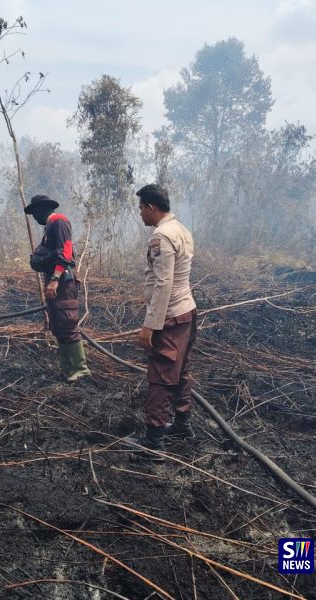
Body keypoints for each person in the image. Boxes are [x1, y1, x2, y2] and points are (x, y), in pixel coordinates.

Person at [128, 183, 197, 459]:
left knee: (159, 376)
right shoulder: (181, 229)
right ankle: (182, 425)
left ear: (151, 207)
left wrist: (150, 325)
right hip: (187, 313)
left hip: (169, 317)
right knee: (180, 372)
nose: (140, 214)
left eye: (141, 209)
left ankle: (154, 442)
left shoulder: (161, 236)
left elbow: (163, 284)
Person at [24, 194, 91, 382]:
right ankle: (68, 369)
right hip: (54, 281)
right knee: (58, 325)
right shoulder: (49, 227)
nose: (34, 217)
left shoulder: (59, 222)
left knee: (67, 321)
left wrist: (54, 279)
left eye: (34, 212)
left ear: (42, 209)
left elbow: (66, 252)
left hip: (62, 281)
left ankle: (81, 369)